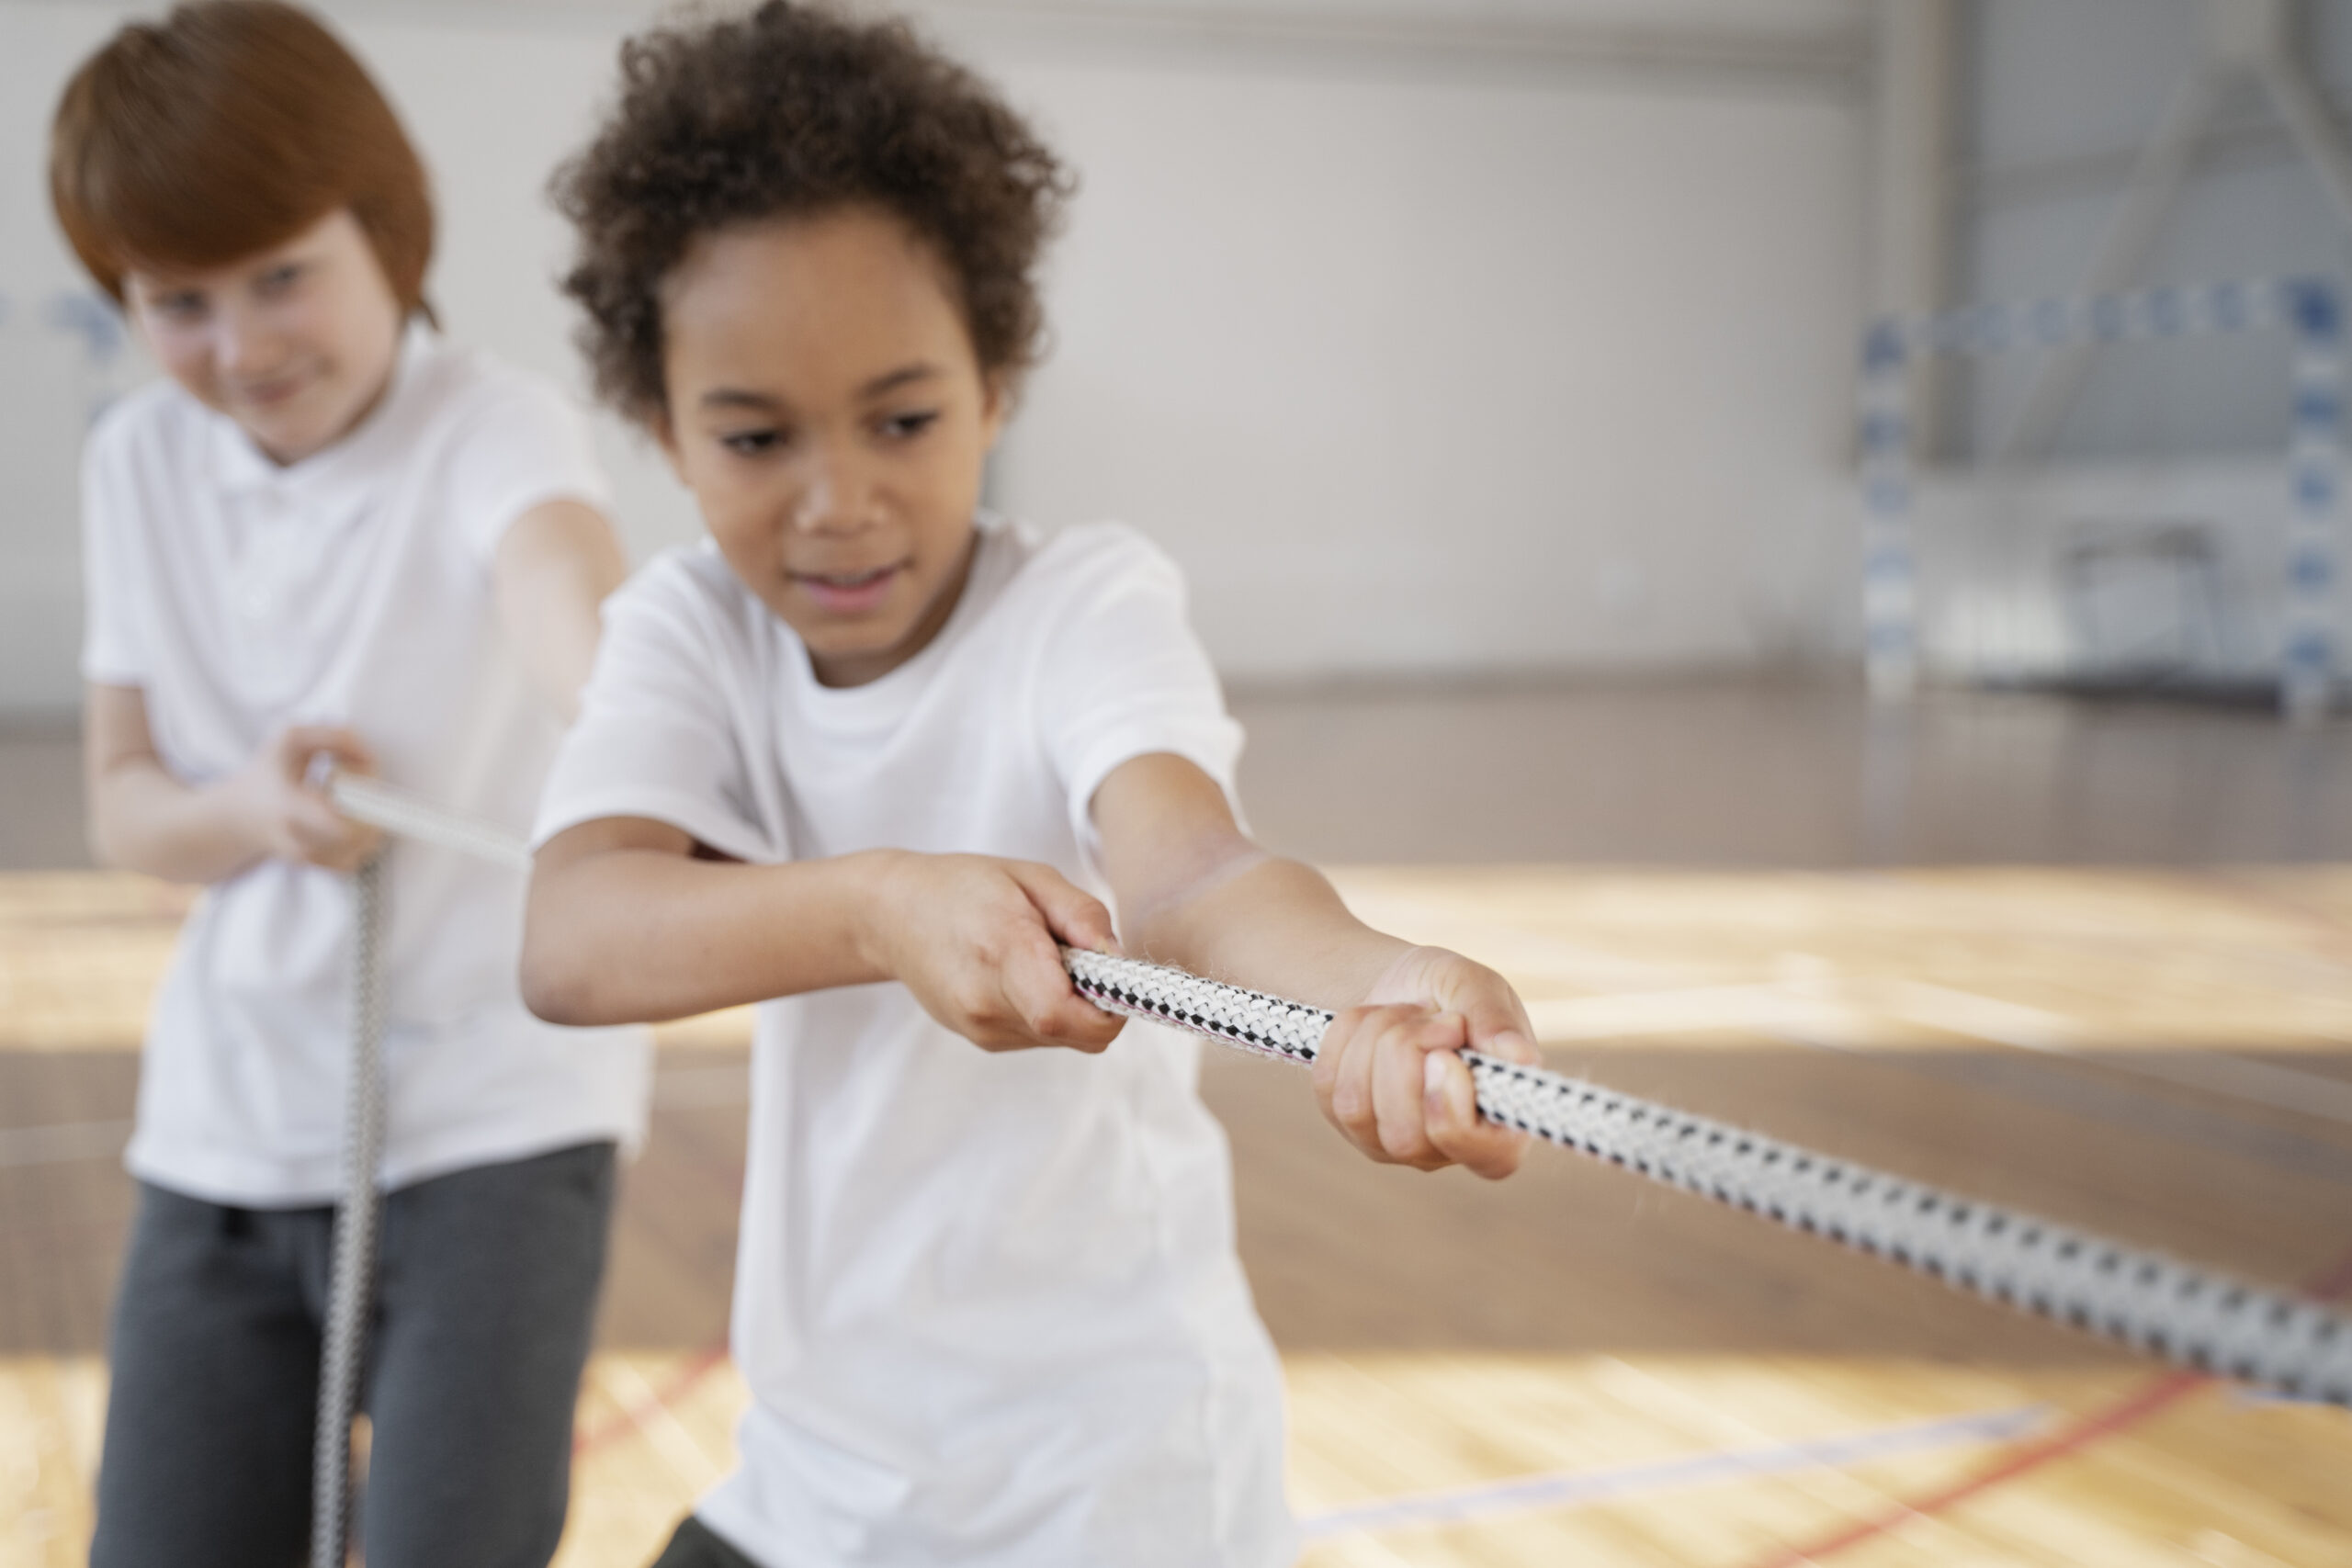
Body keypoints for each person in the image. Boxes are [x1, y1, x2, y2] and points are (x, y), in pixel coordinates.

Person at [524, 5, 1541, 1563]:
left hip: (1106, 1489)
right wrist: (880, 907)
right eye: (753, 435)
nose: (840, 501)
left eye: (905, 418)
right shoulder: (689, 631)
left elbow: (1195, 879)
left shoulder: (1082, 606)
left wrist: (1383, 981)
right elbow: (574, 939)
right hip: (825, 1469)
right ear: (661, 423)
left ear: (998, 383)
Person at [50, 5, 650, 1564]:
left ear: (386, 234)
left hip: (491, 1135)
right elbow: (125, 805)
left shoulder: (493, 427)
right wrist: (247, 809)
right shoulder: (136, 468)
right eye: (177, 303)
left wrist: (646, 730)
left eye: (282, 276)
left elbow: (569, 605)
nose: (241, 348)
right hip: (227, 1129)